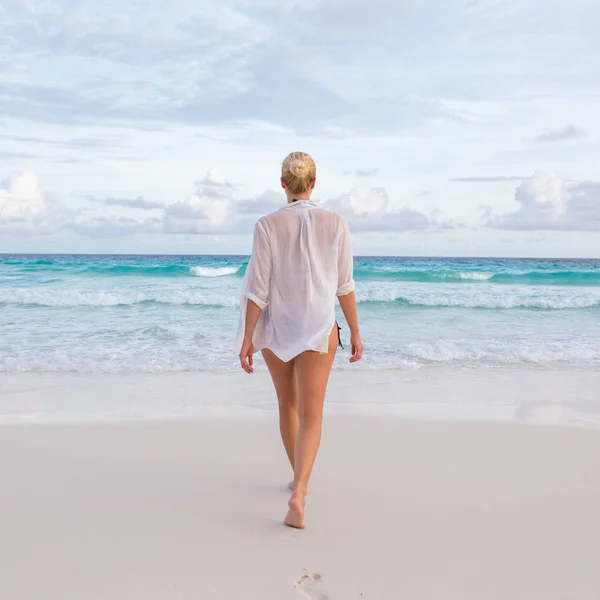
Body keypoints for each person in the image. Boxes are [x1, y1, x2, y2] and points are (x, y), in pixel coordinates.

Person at [234, 151, 363, 529]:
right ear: (314, 183)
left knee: (287, 405)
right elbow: (344, 285)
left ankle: (296, 478)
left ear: (282, 184)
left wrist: (247, 338)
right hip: (321, 327)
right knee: (313, 413)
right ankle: (300, 489)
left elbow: (258, 288)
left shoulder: (267, 224)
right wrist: (355, 330)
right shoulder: (336, 222)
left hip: (277, 326)